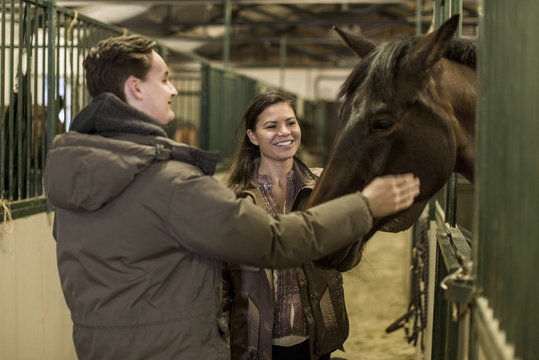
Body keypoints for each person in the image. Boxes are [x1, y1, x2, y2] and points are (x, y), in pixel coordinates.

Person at [43, 34, 420, 360]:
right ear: (135, 88)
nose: (173, 89)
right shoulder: (171, 183)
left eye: (291, 122)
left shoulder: (78, 177)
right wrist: (365, 205)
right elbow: (274, 241)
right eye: (165, 79)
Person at [222, 91, 341, 360]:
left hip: (314, 341)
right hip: (257, 345)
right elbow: (220, 282)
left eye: (291, 122)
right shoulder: (234, 199)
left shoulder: (321, 189)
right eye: (271, 126)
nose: (285, 132)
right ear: (253, 136)